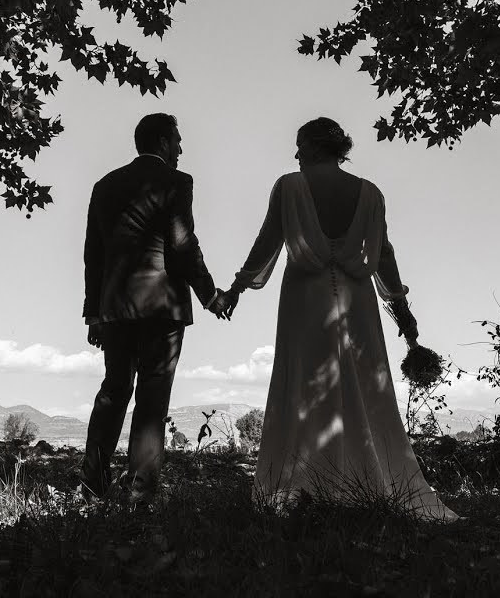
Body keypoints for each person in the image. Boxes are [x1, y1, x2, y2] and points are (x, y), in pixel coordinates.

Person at [212, 117, 459, 522]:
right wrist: (402, 309)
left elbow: (267, 241)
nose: (295, 154)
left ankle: (305, 482)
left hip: (305, 301)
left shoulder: (290, 185)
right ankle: (365, 481)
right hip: (357, 302)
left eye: (299, 146)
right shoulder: (371, 194)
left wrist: (238, 288)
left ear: (311, 147)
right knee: (363, 383)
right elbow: (385, 255)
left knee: (305, 382)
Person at [80, 112, 231, 506]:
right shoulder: (177, 182)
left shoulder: (105, 185)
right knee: (152, 397)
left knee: (114, 390)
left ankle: (93, 482)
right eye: (178, 140)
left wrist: (94, 311)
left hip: (115, 307)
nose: (181, 148)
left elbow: (93, 253)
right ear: (163, 142)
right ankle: (140, 493)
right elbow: (182, 244)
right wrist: (210, 294)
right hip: (162, 307)